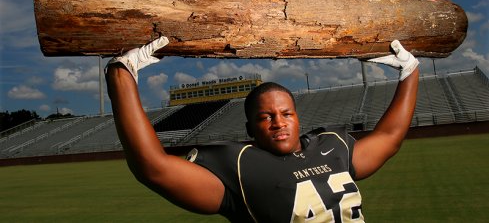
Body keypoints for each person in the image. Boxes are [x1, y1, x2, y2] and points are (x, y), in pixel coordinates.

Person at [105, 35, 419, 222]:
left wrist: (410, 70)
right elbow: (153, 168)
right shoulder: (241, 168)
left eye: (285, 113)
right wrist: (122, 75)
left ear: (297, 118)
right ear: (250, 128)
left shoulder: (332, 146)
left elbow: (389, 138)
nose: (278, 122)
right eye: (265, 117)